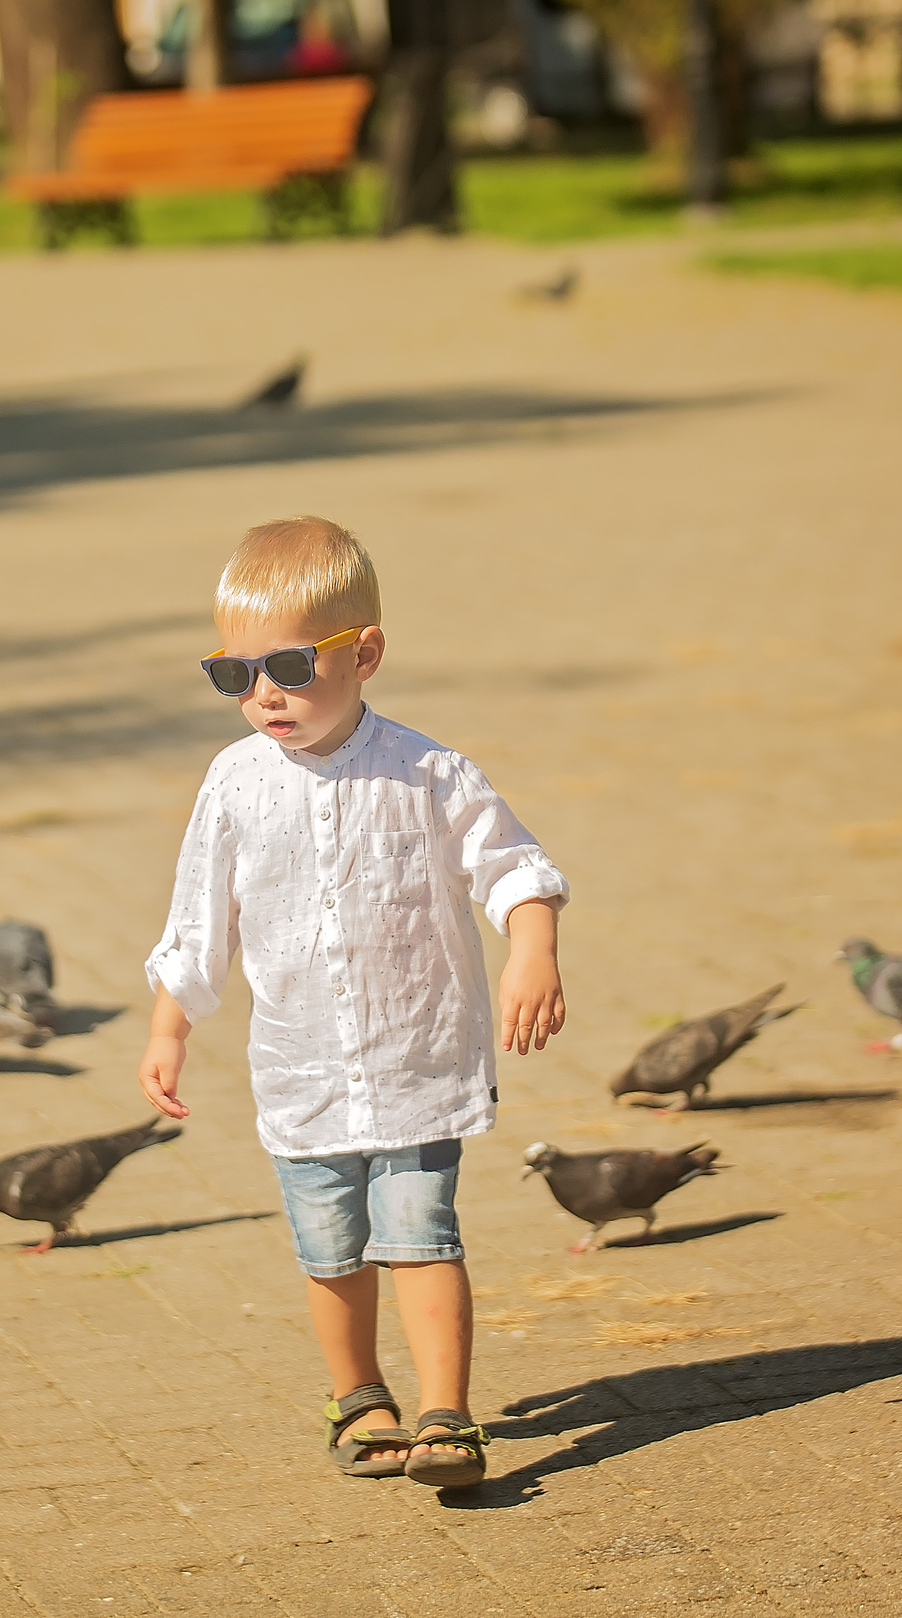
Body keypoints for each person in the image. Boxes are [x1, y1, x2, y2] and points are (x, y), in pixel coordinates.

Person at [139, 516, 568, 1488]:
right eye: (231, 675)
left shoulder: (429, 773)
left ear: (364, 652)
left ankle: (447, 1414)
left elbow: (513, 868)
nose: (261, 697)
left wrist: (531, 949)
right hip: (302, 1071)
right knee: (331, 1251)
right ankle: (360, 1397)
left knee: (421, 1239)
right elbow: (199, 918)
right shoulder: (235, 783)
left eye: (287, 666)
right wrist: (170, 1024)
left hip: (415, 1059)